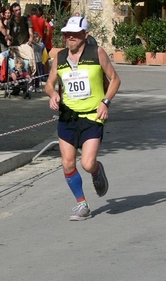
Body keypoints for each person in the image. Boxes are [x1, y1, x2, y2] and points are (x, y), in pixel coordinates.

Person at [45, 16, 121, 221]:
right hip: (68, 117)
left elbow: (115, 79)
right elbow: (49, 84)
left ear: (85, 35)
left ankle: (96, 171)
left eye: (74, 34)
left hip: (92, 117)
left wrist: (105, 102)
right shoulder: (59, 58)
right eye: (66, 34)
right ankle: (82, 205)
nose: (69, 37)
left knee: (87, 164)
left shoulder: (97, 53)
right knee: (68, 164)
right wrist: (52, 94)